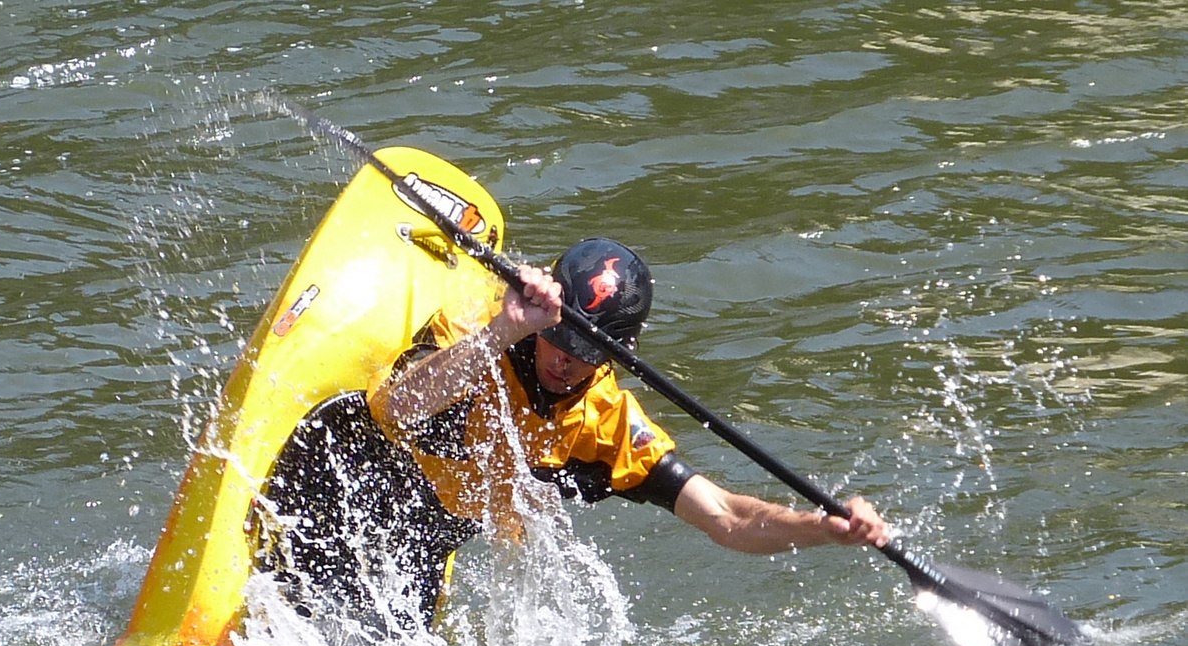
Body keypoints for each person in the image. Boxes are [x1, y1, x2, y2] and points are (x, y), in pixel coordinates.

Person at [360, 238, 890, 591]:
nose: (564, 361)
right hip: (359, 472)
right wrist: (508, 329)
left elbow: (728, 519)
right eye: (558, 340)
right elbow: (394, 408)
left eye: (586, 351)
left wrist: (824, 527)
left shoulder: (608, 425)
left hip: (419, 545)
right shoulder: (480, 332)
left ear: (619, 352)